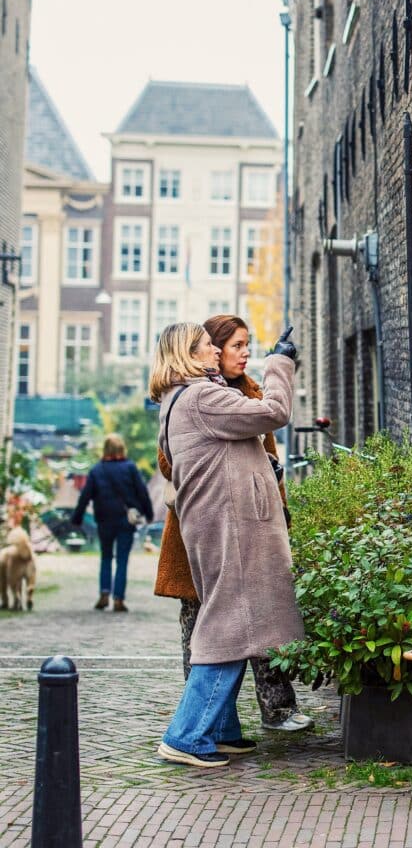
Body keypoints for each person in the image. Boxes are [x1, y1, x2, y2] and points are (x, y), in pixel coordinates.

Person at [151, 321, 302, 768]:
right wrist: (280, 362)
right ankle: (186, 735)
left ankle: (221, 730)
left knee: (241, 625)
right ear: (188, 355)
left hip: (219, 527)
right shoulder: (201, 397)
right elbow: (274, 411)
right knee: (229, 627)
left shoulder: (179, 400)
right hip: (230, 531)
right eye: (206, 348)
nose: (216, 353)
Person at [71, 434, 153, 612]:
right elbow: (142, 492)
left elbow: (85, 497)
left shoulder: (96, 470)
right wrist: (148, 513)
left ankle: (104, 593)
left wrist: (77, 518)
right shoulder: (130, 468)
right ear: (122, 449)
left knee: (106, 557)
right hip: (126, 520)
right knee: (122, 559)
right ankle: (118, 599)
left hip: (104, 521)